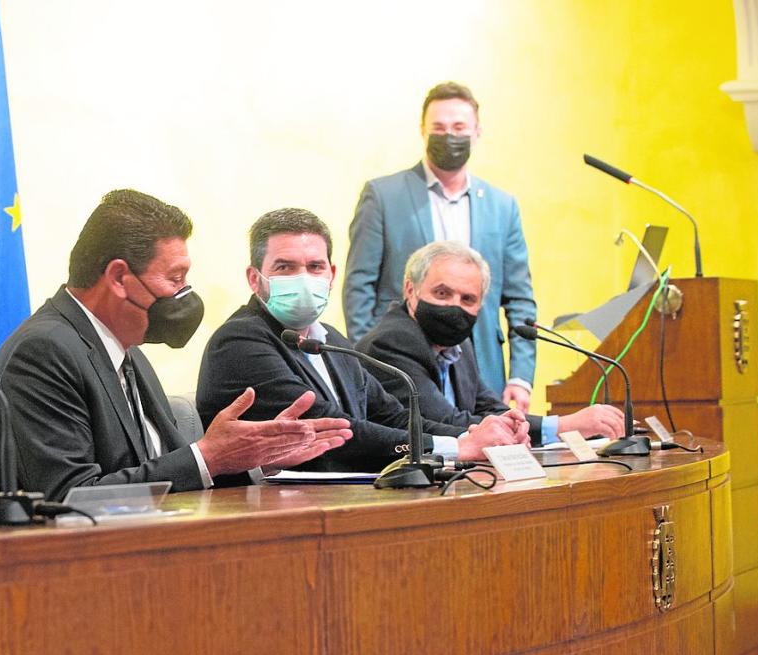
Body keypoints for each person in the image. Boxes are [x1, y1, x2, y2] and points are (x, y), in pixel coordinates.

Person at [0, 190, 353, 503]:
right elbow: (69, 498)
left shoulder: (128, 352)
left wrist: (255, 460)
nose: (184, 294)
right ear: (120, 277)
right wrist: (207, 457)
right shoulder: (43, 353)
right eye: (175, 278)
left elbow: (165, 472)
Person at [196, 208, 527, 473]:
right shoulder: (240, 340)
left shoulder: (329, 340)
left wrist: (483, 436)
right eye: (285, 267)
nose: (303, 278)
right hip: (266, 515)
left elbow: (393, 416)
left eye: (314, 266)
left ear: (332, 275)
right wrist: (459, 447)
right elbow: (332, 429)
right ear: (256, 279)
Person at [342, 81, 537, 411]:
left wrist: (521, 376)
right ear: (423, 130)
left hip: (482, 369)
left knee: (492, 440)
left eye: (459, 126)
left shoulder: (503, 206)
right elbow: (359, 287)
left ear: (477, 131)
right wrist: (370, 362)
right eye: (439, 127)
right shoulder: (383, 196)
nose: (450, 135)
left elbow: (520, 298)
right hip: (407, 366)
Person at [357, 240, 625, 445]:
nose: (454, 307)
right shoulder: (391, 342)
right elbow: (444, 421)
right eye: (442, 293)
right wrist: (564, 426)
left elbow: (489, 408)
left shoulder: (458, 343)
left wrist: (516, 424)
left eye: (468, 299)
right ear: (410, 290)